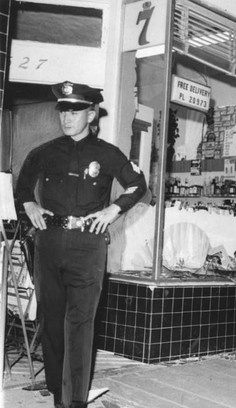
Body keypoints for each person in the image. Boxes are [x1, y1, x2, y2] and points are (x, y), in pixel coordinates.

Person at [16, 81, 147, 408]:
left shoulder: (107, 154)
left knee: (79, 324)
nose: (67, 117)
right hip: (49, 243)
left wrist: (116, 208)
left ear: (91, 114)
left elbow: (137, 184)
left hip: (88, 246)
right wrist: (29, 206)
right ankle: (59, 393)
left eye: (75, 111)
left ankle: (73, 402)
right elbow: (21, 189)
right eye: (63, 110)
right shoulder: (43, 153)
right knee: (52, 319)